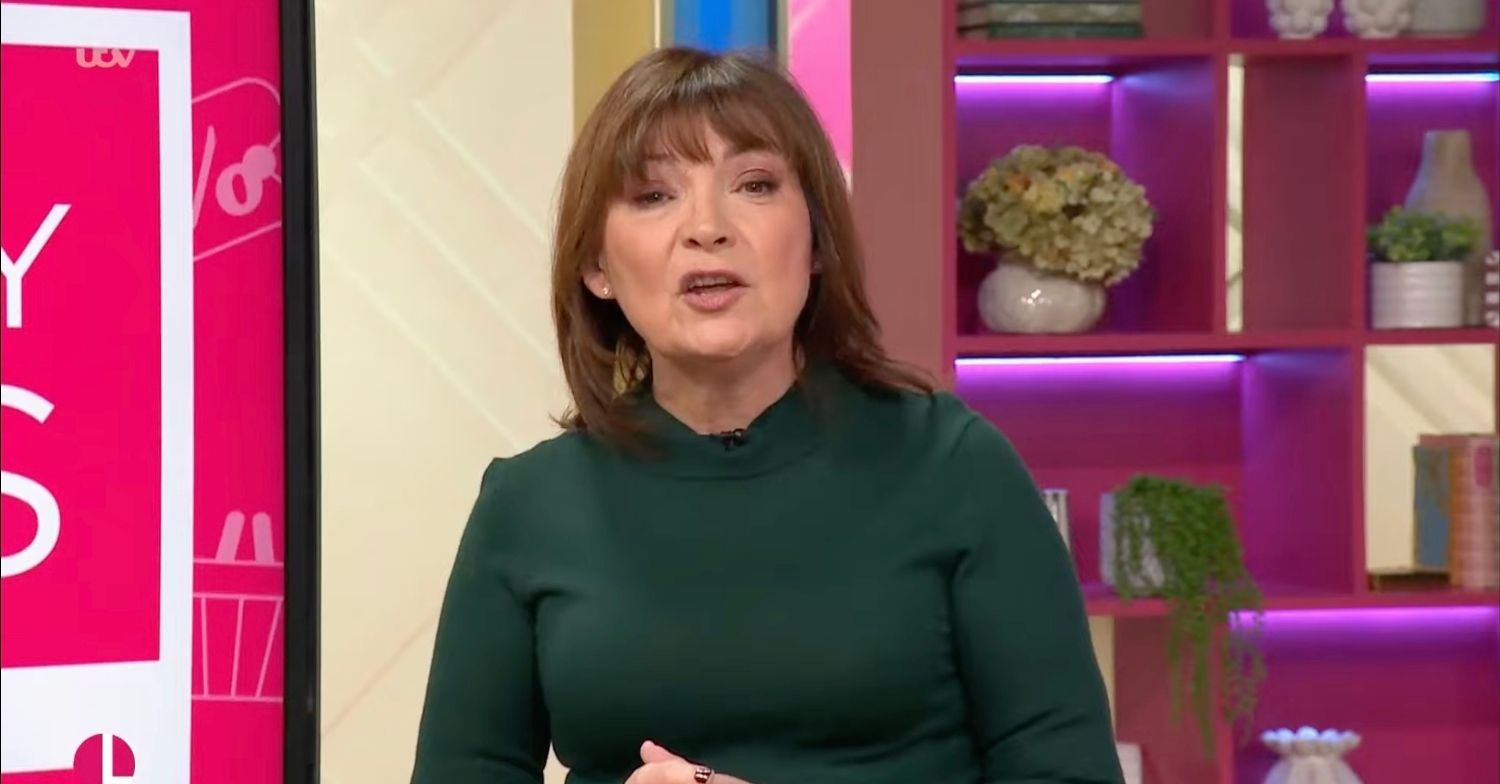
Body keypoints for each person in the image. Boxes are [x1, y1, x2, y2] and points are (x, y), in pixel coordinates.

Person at [409, 46, 1123, 784]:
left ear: (816, 241)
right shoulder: (526, 505)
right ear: (597, 266)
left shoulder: (957, 467)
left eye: (754, 185)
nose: (707, 227)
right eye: (653, 195)